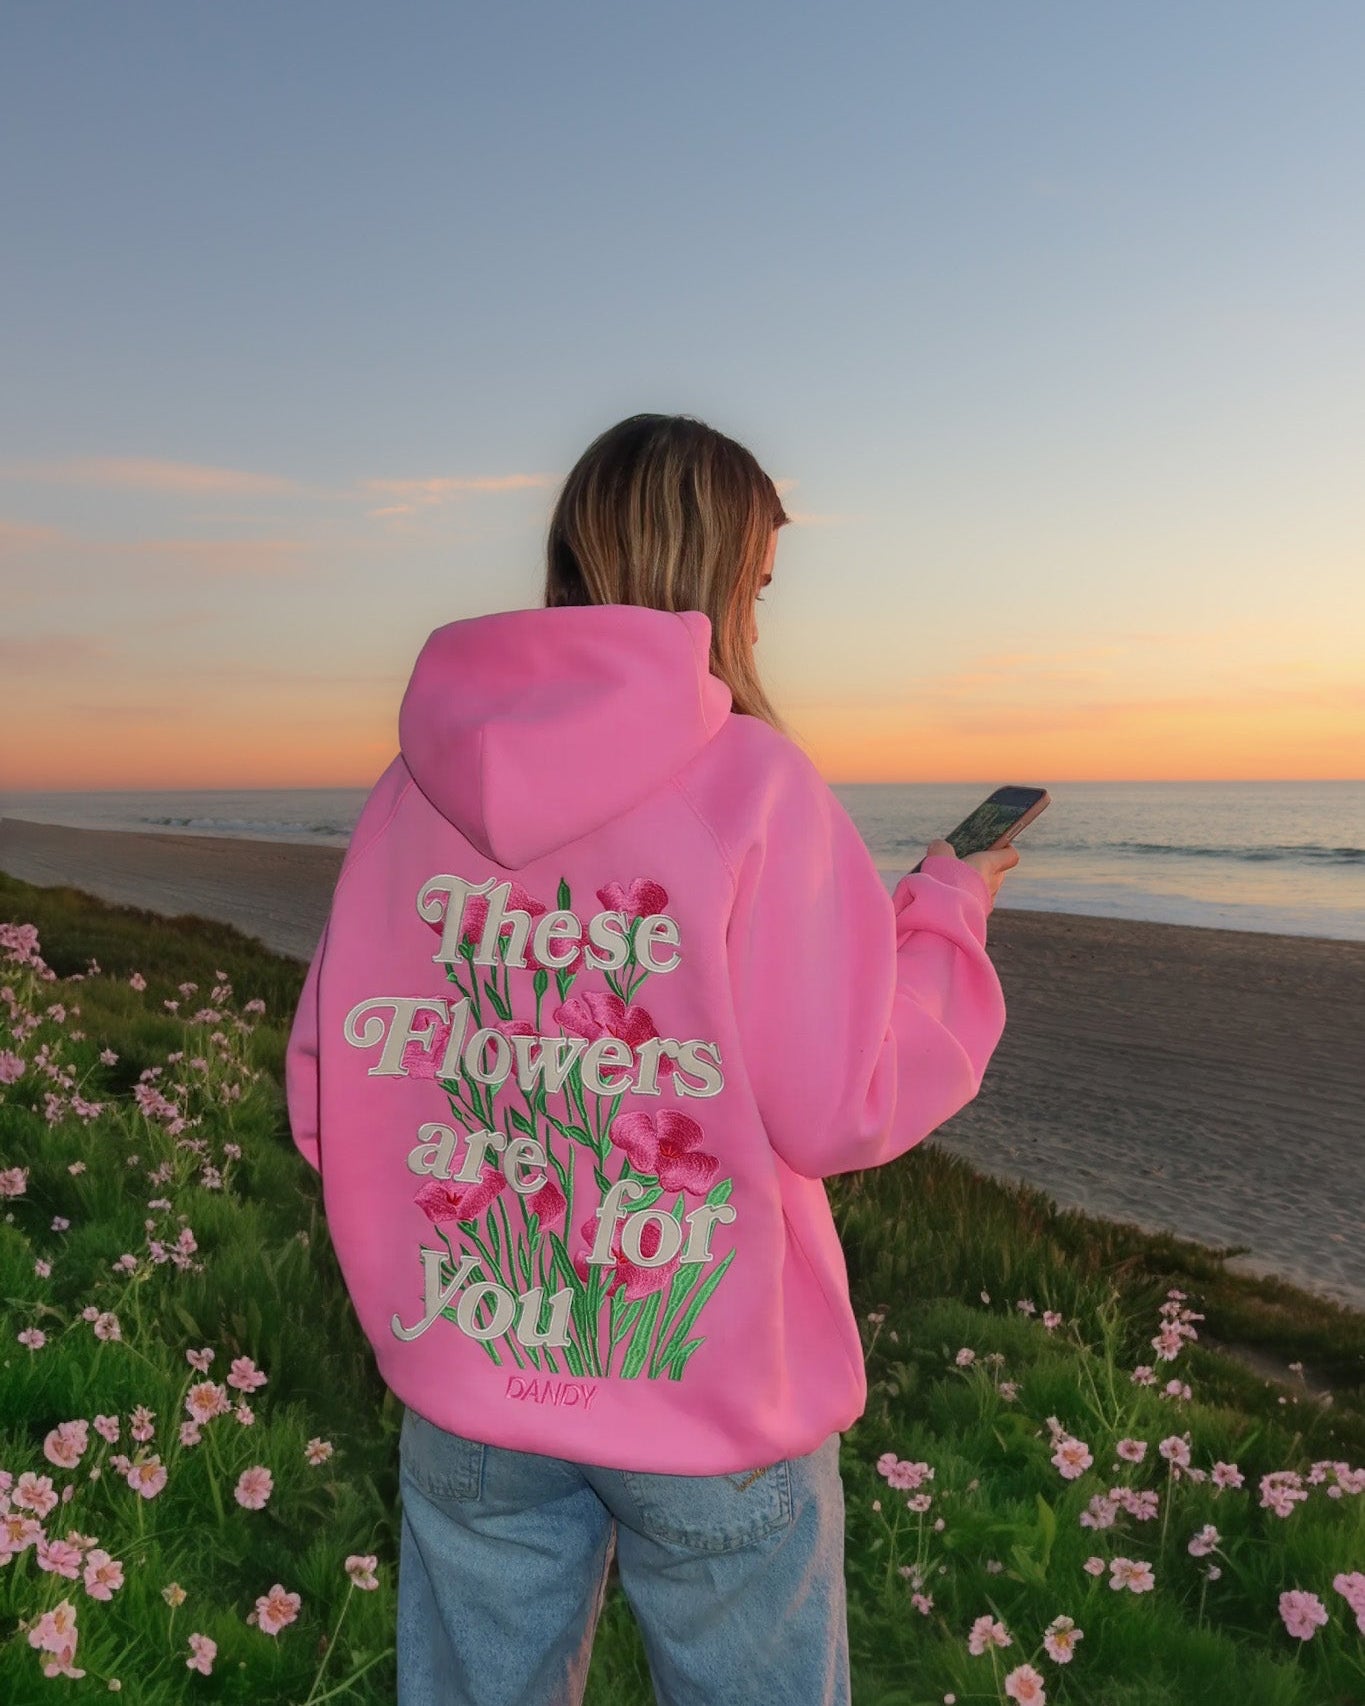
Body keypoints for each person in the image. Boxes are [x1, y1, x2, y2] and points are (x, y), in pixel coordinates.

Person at [285, 413, 1014, 1706]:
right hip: (711, 1400)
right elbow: (839, 1103)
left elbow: (327, 1089)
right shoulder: (756, 783)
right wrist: (943, 913)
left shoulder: (410, 789)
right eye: (758, 584)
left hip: (469, 1378)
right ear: (719, 574)